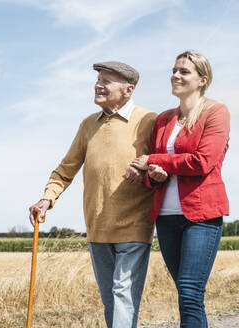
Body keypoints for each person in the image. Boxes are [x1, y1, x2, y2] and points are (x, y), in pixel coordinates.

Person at [29, 61, 157, 328]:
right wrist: (47, 197)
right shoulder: (88, 125)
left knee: (123, 295)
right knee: (111, 300)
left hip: (134, 226)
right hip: (98, 227)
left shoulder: (149, 121)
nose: (99, 84)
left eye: (107, 81)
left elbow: (162, 165)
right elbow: (66, 169)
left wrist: (147, 170)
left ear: (128, 90)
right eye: (99, 79)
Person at [128, 50, 230, 327]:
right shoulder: (163, 119)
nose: (175, 75)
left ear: (202, 79)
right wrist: (154, 175)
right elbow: (152, 173)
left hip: (201, 215)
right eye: (174, 70)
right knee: (188, 294)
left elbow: (202, 162)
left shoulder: (215, 112)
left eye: (184, 71)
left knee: (189, 291)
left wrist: (154, 160)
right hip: (167, 216)